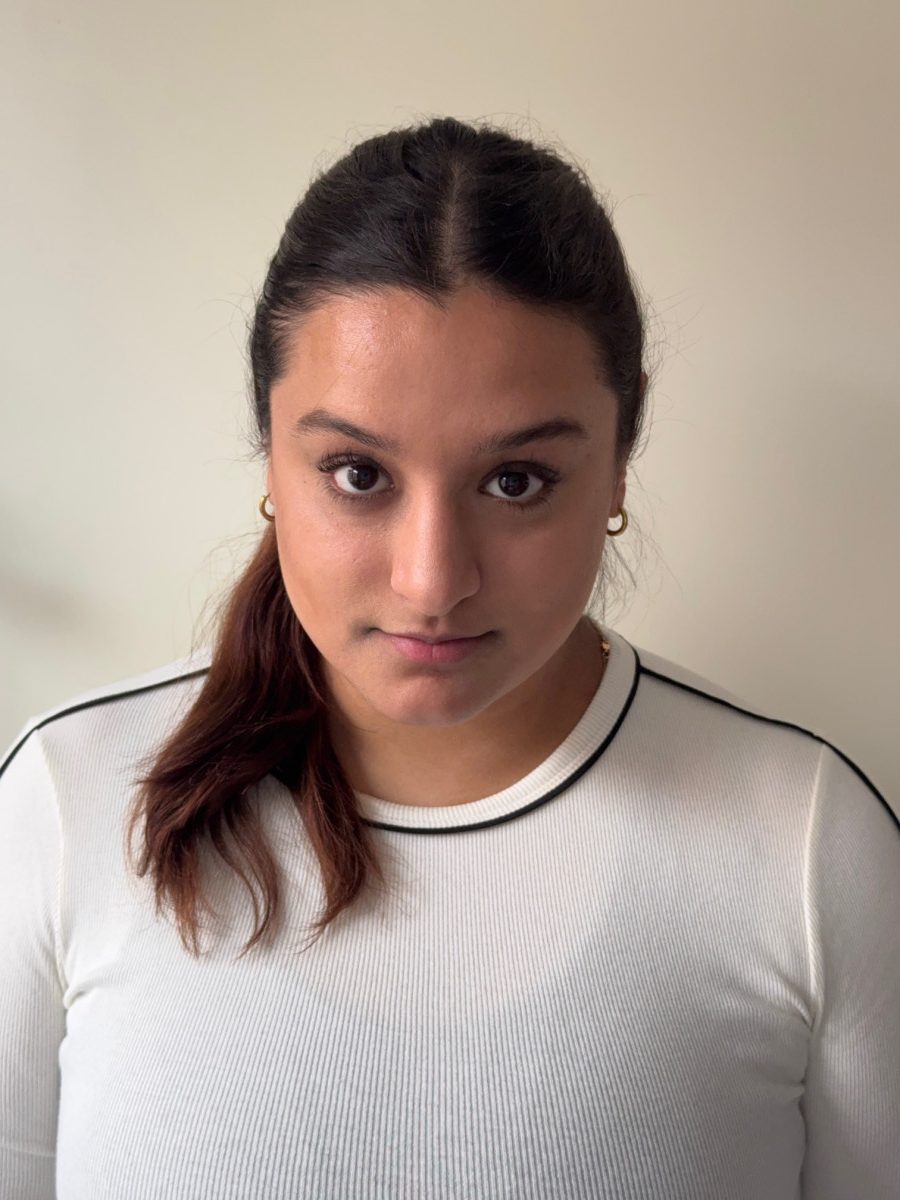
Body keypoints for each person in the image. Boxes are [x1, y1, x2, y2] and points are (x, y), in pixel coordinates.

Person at [1, 116, 897, 1200]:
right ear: (271, 460)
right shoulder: (67, 801)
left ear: (618, 469)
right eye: (358, 474)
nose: (432, 580)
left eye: (516, 481)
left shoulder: (807, 842)